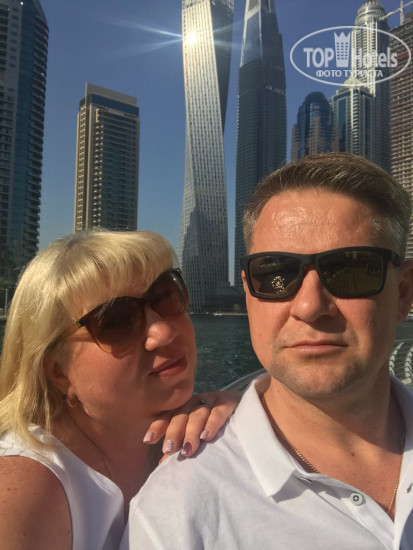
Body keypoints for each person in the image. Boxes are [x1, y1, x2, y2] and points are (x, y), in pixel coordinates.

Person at [122, 152, 413, 549]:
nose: (309, 306)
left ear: (403, 293)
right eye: (275, 273)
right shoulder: (176, 513)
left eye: (350, 269)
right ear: (248, 291)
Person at [0, 229, 240, 550]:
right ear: (59, 372)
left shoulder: (197, 432)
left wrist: (245, 415)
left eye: (166, 295)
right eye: (116, 321)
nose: (164, 332)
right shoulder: (26, 492)